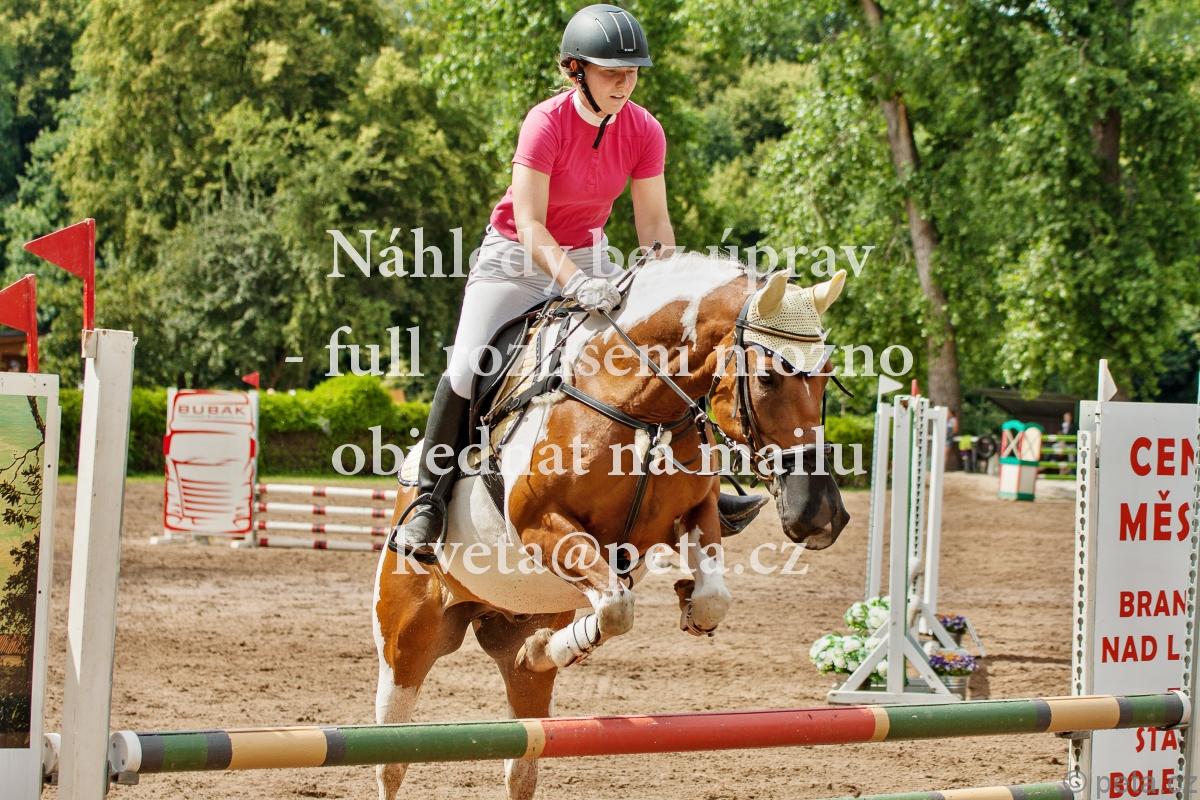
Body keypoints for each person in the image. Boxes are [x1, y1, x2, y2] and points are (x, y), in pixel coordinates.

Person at [399, 5, 765, 563]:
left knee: (665, 349)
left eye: (632, 72)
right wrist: (575, 283)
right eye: (611, 72)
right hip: (515, 257)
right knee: (469, 364)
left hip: (591, 256)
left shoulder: (645, 130)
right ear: (577, 70)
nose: (624, 83)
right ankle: (428, 499)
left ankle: (706, 488)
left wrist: (668, 289)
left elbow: (653, 226)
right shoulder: (545, 122)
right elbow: (530, 224)